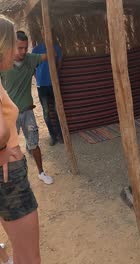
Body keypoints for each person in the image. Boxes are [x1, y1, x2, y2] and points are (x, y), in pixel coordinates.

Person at [0, 16, 41, 264]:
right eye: (13, 45)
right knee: (29, 256)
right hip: (8, 173)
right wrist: (3, 148)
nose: (17, 51)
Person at [0, 30, 53, 185]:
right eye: (19, 48)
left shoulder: (30, 59)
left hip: (27, 112)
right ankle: (9, 178)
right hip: (9, 116)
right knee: (8, 148)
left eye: (25, 47)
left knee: (34, 144)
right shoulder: (3, 64)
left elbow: (48, 56)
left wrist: (46, 38)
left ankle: (41, 172)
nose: (23, 51)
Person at [32, 30, 63, 146]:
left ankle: (61, 135)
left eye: (49, 33)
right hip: (42, 86)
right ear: (42, 34)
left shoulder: (57, 48)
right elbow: (32, 67)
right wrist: (39, 78)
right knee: (46, 112)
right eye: (45, 33)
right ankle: (52, 136)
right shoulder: (36, 49)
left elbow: (59, 64)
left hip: (54, 85)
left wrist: (53, 76)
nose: (47, 35)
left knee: (57, 110)